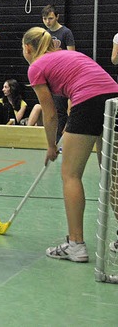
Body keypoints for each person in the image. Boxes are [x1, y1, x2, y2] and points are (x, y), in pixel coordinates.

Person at [22, 26, 118, 262]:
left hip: (88, 103)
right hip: (113, 100)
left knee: (71, 175)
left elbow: (50, 113)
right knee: (113, 175)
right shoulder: (69, 54)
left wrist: (51, 146)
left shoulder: (36, 67)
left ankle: (75, 244)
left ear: (28, 48)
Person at [42, 4, 75, 142]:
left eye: (50, 18)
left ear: (57, 17)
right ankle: (55, 138)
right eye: (44, 19)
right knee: (52, 109)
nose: (47, 22)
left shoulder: (66, 32)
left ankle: (62, 139)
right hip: (49, 75)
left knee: (62, 109)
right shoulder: (44, 34)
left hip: (62, 75)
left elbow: (72, 54)